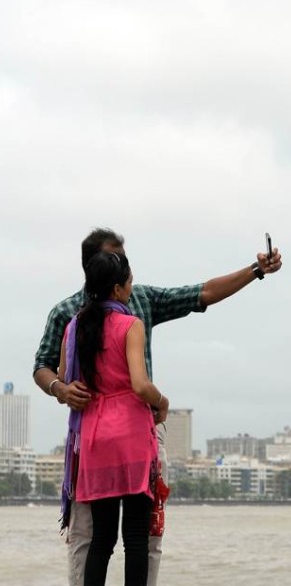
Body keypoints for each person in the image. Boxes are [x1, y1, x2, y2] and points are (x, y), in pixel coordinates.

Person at [33, 227, 282, 586]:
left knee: (111, 537)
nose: (126, 265)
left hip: (94, 436)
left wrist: (255, 270)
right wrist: (60, 388)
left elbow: (202, 293)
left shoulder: (128, 303)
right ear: (97, 266)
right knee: (103, 535)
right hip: (131, 431)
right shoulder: (74, 313)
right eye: (117, 259)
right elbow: (43, 368)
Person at [59, 251, 167, 586]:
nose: (132, 290)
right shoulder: (130, 325)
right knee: (135, 537)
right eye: (130, 283)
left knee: (101, 540)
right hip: (131, 437)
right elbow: (139, 383)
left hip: (94, 437)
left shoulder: (74, 326)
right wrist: (163, 401)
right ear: (118, 289)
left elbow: (63, 375)